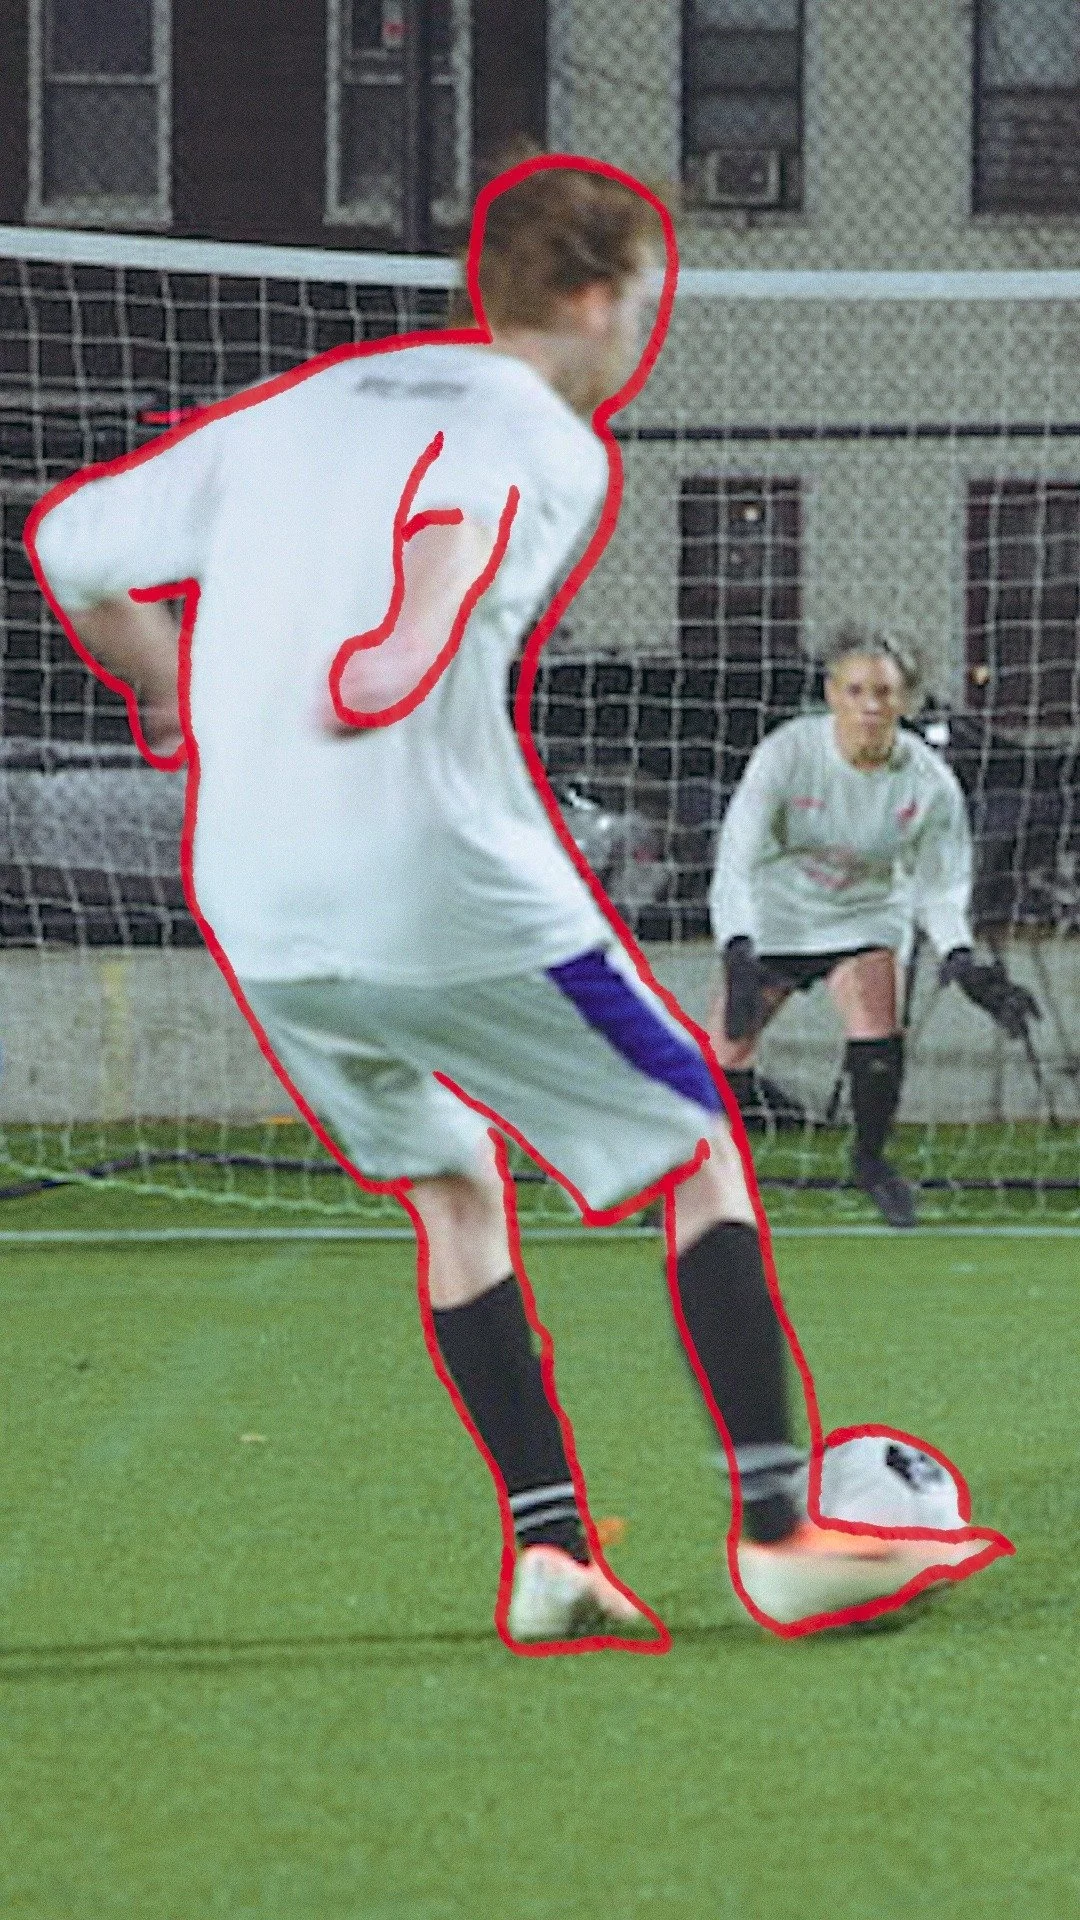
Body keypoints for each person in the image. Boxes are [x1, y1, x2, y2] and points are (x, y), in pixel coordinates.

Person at [28, 158, 1001, 1648]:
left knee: (452, 1185)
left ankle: (551, 1554)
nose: (649, 333)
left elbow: (68, 543)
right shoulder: (543, 433)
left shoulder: (298, 410)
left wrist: (162, 678)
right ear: (597, 298)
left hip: (257, 907)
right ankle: (780, 1535)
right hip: (433, 878)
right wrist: (399, 646)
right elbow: (458, 525)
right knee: (697, 1141)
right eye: (650, 302)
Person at [708, 626, 1040, 1228]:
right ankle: (699, 1178)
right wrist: (737, 948)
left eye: (884, 692)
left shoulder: (929, 782)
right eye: (856, 690)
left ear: (905, 700)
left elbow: (940, 885)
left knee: (876, 1028)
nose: (870, 705)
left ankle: (870, 1162)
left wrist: (961, 958)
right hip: (776, 914)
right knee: (726, 1051)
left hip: (866, 912)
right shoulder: (787, 754)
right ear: (831, 694)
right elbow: (736, 859)